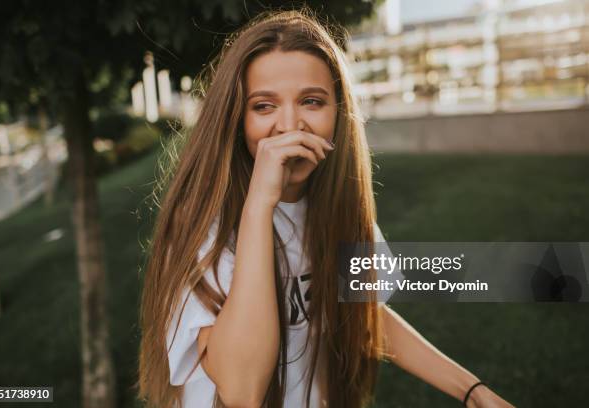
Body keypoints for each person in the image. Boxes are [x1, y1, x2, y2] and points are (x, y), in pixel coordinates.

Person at [137, 9, 515, 408]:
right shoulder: (203, 225)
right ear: (236, 118)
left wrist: (471, 390)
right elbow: (241, 390)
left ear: (338, 113)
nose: (290, 125)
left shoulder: (335, 208)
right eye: (263, 106)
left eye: (312, 101)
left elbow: (366, 317)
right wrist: (259, 206)